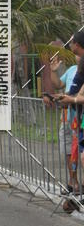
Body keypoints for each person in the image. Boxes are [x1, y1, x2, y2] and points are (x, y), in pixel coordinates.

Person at [44, 55, 79, 194]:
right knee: (68, 150)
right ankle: (73, 181)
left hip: (79, 117)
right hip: (66, 117)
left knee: (79, 151)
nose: (76, 56)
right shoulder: (72, 69)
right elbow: (58, 84)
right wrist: (53, 71)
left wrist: (70, 99)